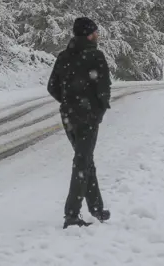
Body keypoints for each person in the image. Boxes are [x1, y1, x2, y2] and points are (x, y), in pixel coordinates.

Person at [47, 17, 112, 229]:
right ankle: (72, 214)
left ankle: (96, 208)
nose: (98, 35)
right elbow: (103, 89)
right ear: (88, 34)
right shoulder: (96, 56)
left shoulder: (64, 56)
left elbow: (52, 86)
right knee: (82, 162)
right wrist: (98, 110)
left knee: (85, 159)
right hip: (88, 117)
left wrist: (68, 102)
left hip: (68, 116)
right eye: (95, 32)